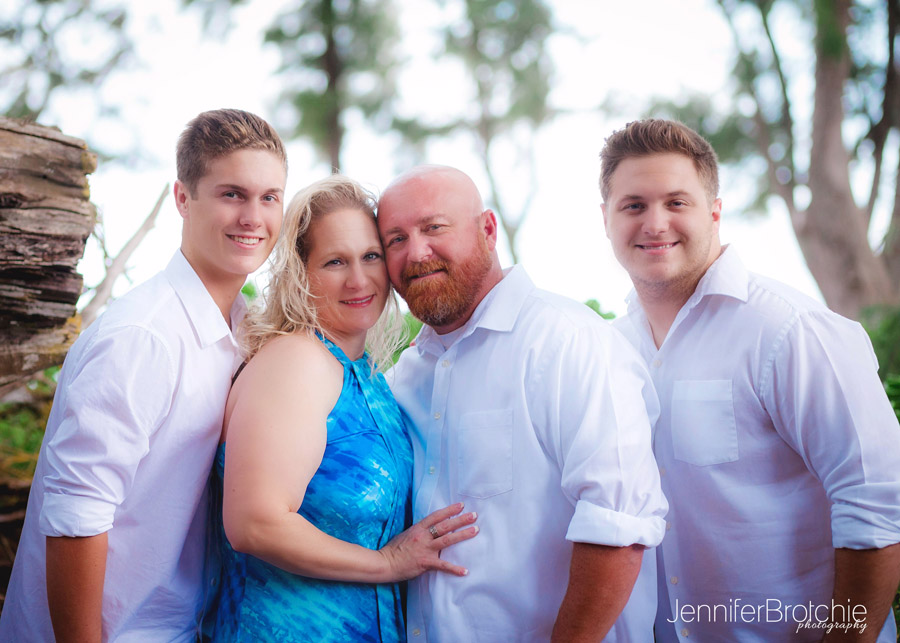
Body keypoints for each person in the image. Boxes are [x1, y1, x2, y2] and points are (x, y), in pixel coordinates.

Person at [600, 118, 900, 642]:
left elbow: (877, 505)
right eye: (633, 205)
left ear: (715, 211)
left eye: (676, 202)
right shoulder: (610, 348)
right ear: (605, 219)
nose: (654, 223)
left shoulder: (790, 330)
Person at [0, 109, 288, 642]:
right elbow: (76, 515)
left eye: (269, 197)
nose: (254, 216)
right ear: (182, 198)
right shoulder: (142, 336)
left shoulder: (246, 330)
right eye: (232, 194)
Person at [377, 165, 668, 643]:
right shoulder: (402, 378)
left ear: (488, 230)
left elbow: (619, 527)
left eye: (434, 228)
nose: (416, 252)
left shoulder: (569, 341)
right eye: (395, 239)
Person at [211, 175, 478, 643]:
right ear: (301, 272)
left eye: (370, 256)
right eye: (335, 261)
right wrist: (387, 563)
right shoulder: (296, 361)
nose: (359, 280)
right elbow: (254, 523)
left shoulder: (365, 375)